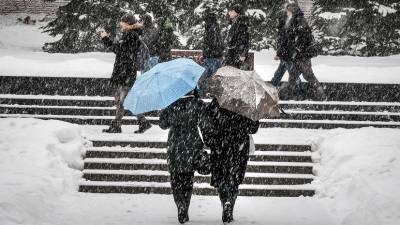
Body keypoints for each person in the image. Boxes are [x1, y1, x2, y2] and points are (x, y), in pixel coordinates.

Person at [201, 99, 260, 223]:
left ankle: (225, 201)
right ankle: (230, 204)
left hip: (220, 147)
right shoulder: (245, 104)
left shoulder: (215, 104)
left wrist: (211, 140)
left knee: (222, 178)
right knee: (234, 178)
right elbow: (253, 128)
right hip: (239, 147)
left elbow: (205, 124)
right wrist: (255, 115)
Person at [159, 90, 206, 224]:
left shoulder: (171, 103)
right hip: (191, 144)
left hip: (175, 146)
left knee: (176, 179)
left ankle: (180, 204)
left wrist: (165, 108)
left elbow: (163, 124)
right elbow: (205, 122)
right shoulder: (197, 104)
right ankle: (185, 206)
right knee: (188, 179)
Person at [100, 14, 142, 133]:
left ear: (128, 23)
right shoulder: (131, 35)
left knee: (121, 101)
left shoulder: (131, 35)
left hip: (125, 73)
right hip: (125, 71)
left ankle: (117, 126)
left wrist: (105, 39)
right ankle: (142, 122)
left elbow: (118, 50)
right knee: (123, 100)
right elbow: (120, 50)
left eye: (123, 22)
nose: (121, 25)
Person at [279, 3, 326, 100]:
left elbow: (302, 38)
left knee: (308, 75)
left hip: (303, 55)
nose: (287, 13)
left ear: (292, 11)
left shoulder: (300, 21)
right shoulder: (295, 20)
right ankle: (287, 94)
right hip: (298, 55)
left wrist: (297, 49)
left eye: (288, 11)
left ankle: (321, 93)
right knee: (293, 75)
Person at [272, 10, 304, 98]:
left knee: (291, 74)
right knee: (280, 73)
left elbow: (284, 43)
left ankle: (300, 92)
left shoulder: (285, 28)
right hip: (286, 55)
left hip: (287, 55)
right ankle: (271, 88)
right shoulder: (286, 27)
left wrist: (279, 54)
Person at [198, 8, 224, 96]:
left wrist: (205, 55)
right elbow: (218, 44)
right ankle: (216, 94)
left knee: (204, 77)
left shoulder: (210, 28)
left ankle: (203, 94)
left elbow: (208, 44)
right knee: (215, 77)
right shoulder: (216, 28)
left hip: (211, 58)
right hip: (217, 57)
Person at [225, 4, 250, 69]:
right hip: (232, 54)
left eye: (231, 11)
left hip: (236, 54)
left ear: (237, 13)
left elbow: (243, 40)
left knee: (234, 73)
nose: (229, 13)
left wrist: (242, 54)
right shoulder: (235, 23)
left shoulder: (241, 23)